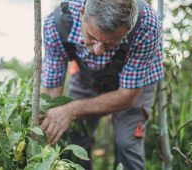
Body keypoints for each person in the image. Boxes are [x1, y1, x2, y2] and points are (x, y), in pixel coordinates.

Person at [40, 0, 163, 169]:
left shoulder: (147, 25)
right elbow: (51, 91)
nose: (98, 51)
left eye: (111, 44)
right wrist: (47, 122)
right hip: (87, 77)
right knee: (75, 137)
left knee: (127, 144)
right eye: (91, 37)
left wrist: (71, 110)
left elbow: (127, 96)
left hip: (134, 84)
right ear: (83, 12)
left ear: (128, 29)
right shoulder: (57, 24)